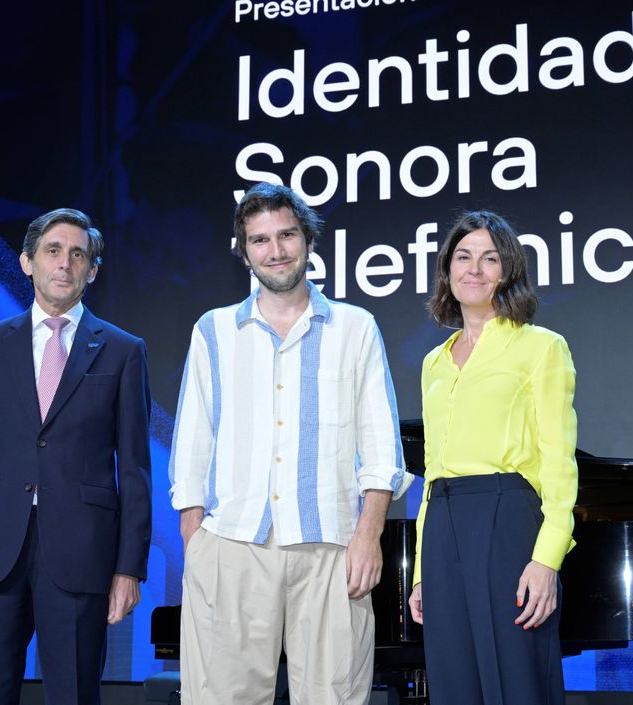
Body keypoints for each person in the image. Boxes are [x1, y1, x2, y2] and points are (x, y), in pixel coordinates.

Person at [169, 182, 413, 705]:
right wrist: (196, 540)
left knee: (335, 697)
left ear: (308, 239)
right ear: (244, 251)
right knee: (219, 697)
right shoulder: (213, 331)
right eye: (259, 240)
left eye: (286, 235)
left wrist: (368, 536)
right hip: (231, 544)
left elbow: (381, 445)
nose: (275, 251)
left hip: (330, 546)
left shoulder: (356, 327)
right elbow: (192, 441)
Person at [0, 208, 152, 705]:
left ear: (92, 270)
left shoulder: (122, 350)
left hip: (81, 555)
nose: (64, 264)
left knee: (74, 694)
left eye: (79, 254)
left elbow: (135, 470)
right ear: (27, 261)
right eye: (53, 251)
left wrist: (128, 569)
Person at [407, 210, 578, 705]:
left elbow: (559, 461)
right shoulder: (433, 362)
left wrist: (547, 559)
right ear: (448, 270)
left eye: (489, 258)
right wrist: (421, 571)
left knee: (517, 684)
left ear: (508, 271)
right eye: (463, 257)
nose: (474, 269)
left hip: (509, 521)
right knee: (454, 685)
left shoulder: (541, 347)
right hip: (442, 525)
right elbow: (433, 470)